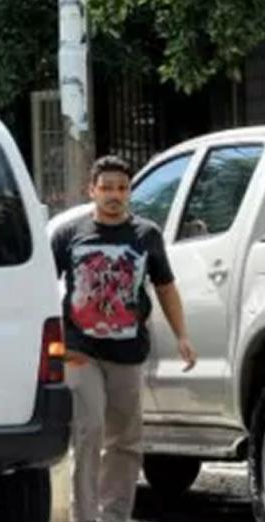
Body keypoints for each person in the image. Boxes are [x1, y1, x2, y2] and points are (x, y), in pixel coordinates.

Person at [52, 155, 197, 522]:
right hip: (79, 349)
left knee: (126, 440)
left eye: (122, 188)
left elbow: (165, 288)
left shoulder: (146, 235)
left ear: (129, 191)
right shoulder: (69, 235)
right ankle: (85, 516)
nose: (115, 195)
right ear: (92, 191)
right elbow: (41, 286)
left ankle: (115, 515)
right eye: (107, 188)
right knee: (90, 429)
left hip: (128, 351)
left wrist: (182, 336)